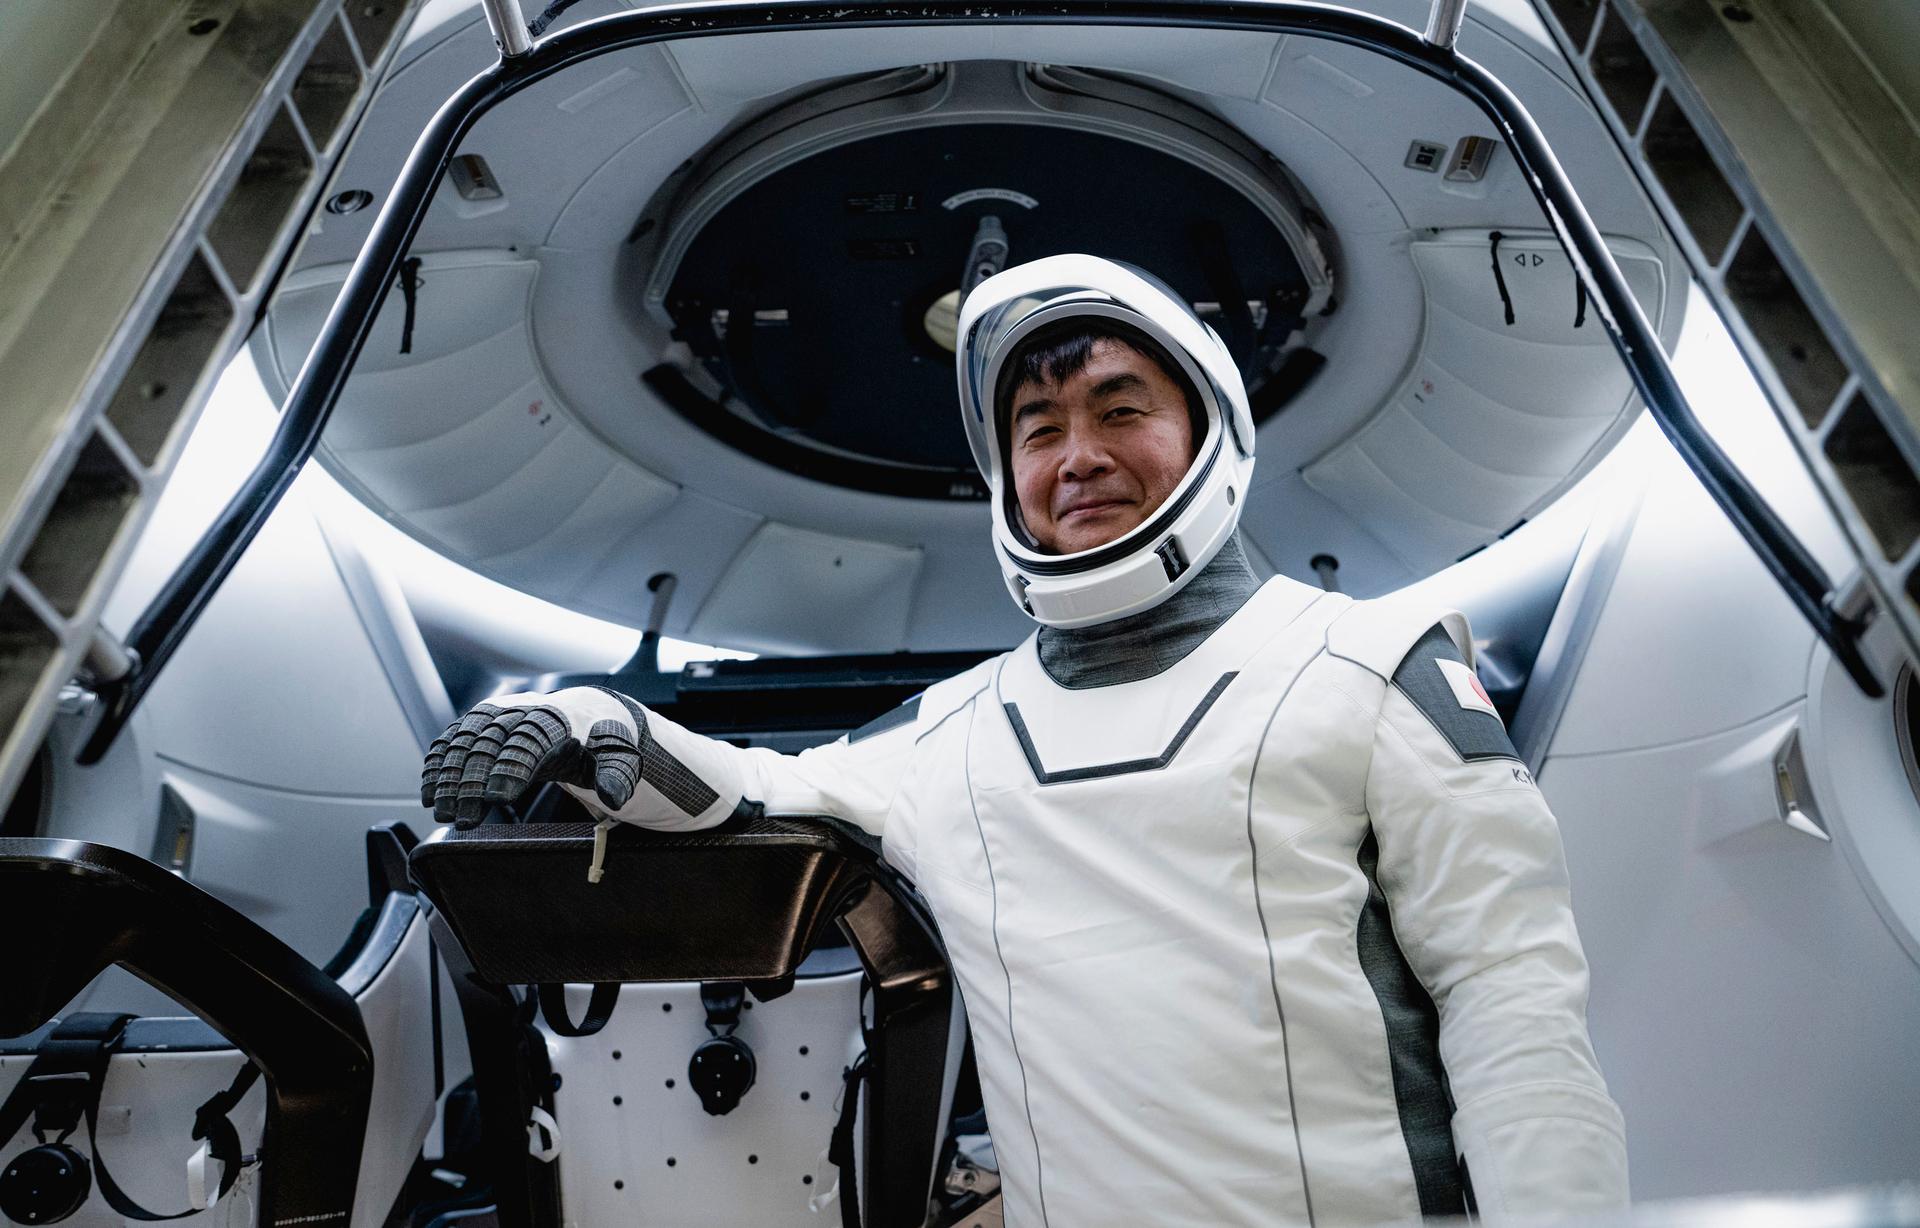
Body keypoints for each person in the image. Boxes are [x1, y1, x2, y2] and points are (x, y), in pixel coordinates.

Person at [422, 255, 1629, 1226]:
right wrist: (594, 723)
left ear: (1209, 430)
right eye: (1038, 427)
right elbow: (752, 793)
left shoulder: (1372, 665)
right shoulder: (955, 736)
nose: (1079, 455)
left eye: (1121, 408)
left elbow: (1513, 1009)